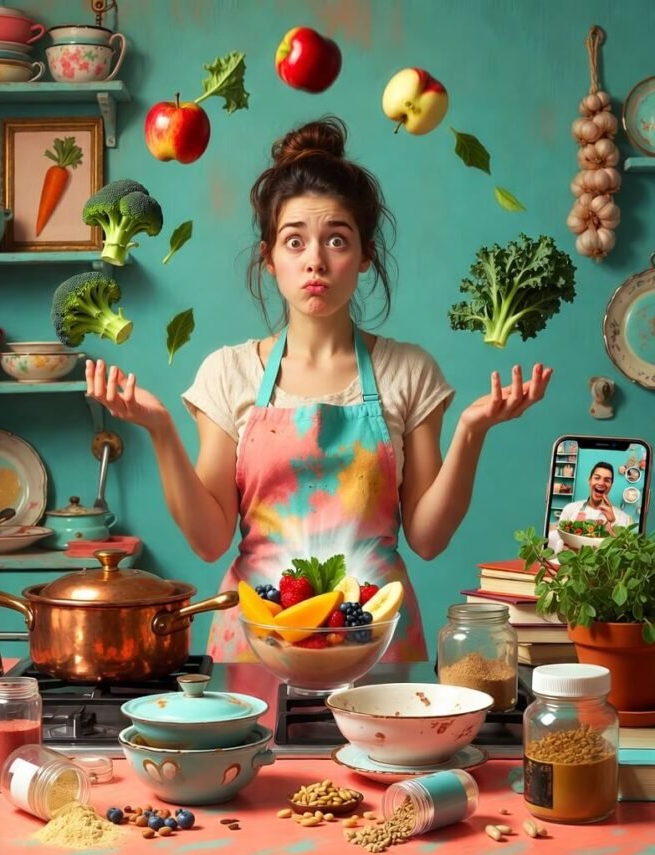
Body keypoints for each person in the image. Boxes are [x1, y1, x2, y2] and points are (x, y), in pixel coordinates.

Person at [85, 117, 552, 663]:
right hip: (256, 644)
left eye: (337, 239)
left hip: (376, 641)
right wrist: (160, 430)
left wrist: (473, 432)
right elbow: (211, 540)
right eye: (294, 241)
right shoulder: (227, 373)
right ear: (269, 258)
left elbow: (427, 539)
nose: (315, 260)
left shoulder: (409, 371)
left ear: (365, 255)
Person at [550, 461, 632, 551]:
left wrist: (612, 521)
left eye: (607, 480)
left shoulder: (623, 518)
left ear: (611, 485)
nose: (601, 483)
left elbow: (624, 550)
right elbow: (560, 540)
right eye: (597, 478)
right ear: (590, 480)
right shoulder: (570, 509)